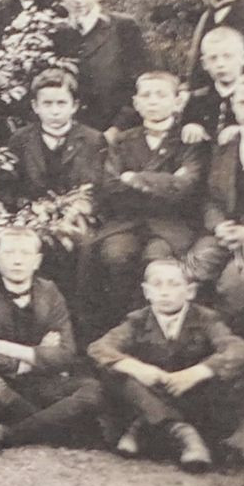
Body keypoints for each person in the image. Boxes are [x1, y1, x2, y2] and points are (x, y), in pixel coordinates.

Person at [88, 258, 244, 472]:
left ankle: (143, 428)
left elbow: (240, 350)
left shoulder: (206, 319)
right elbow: (99, 348)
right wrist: (137, 368)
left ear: (190, 291)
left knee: (229, 373)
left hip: (190, 398)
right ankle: (183, 433)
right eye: (157, 285)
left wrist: (197, 372)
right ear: (146, 292)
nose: (165, 292)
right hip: (151, 393)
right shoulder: (137, 321)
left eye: (174, 284)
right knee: (116, 371)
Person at [80, 71, 203, 340]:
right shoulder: (123, 141)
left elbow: (186, 187)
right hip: (126, 222)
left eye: (161, 95)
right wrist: (167, 182)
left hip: (169, 227)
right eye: (146, 95)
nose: (153, 101)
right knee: (115, 255)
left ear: (177, 101)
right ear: (136, 103)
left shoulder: (187, 141)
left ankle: (156, 336)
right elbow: (110, 186)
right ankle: (118, 330)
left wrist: (135, 178)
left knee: (156, 261)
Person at [0, 228, 102, 451]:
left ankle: (13, 433)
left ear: (37, 261)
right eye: (9, 253)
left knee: (93, 388)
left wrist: (10, 348)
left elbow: (67, 352)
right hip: (2, 380)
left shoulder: (49, 292)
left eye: (25, 254)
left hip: (42, 382)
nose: (17, 261)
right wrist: (38, 355)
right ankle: (59, 429)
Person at [182, 73, 244, 337]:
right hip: (225, 233)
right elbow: (211, 196)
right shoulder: (226, 145)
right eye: (243, 103)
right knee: (188, 271)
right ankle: (193, 341)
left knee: (236, 284)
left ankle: (234, 347)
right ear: (233, 107)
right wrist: (218, 226)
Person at [54, 0, 152, 132]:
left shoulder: (123, 27)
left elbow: (141, 82)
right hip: (71, 133)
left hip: (115, 131)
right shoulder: (56, 32)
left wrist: (118, 127)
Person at [6, 69, 107, 203]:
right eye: (47, 104)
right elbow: (11, 190)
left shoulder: (93, 140)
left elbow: (98, 190)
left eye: (61, 103)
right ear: (35, 106)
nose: (55, 111)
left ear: (74, 106)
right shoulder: (21, 140)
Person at [180, 26, 244, 143]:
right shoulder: (197, 98)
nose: (220, 64)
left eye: (227, 56)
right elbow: (185, 124)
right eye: (213, 58)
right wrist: (190, 126)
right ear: (204, 63)